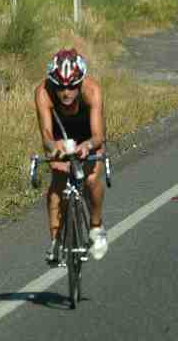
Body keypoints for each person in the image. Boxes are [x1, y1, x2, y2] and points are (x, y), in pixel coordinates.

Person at [34, 49, 108, 264]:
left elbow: (98, 136)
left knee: (92, 178)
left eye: (72, 86)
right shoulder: (43, 92)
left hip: (88, 133)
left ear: (81, 82)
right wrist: (54, 146)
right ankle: (56, 239)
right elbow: (46, 135)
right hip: (60, 133)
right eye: (61, 87)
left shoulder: (92, 91)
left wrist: (87, 147)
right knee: (58, 178)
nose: (66, 92)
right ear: (52, 84)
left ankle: (95, 227)